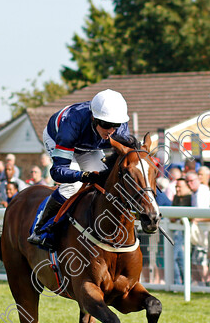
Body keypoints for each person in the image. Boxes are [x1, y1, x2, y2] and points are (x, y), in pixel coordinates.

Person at [28, 89, 132, 245]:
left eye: (115, 126)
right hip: (58, 139)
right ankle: (40, 228)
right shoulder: (72, 123)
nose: (111, 131)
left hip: (89, 147)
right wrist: (83, 176)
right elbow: (57, 172)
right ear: (94, 118)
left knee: (105, 182)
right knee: (71, 187)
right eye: (106, 125)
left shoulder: (121, 129)